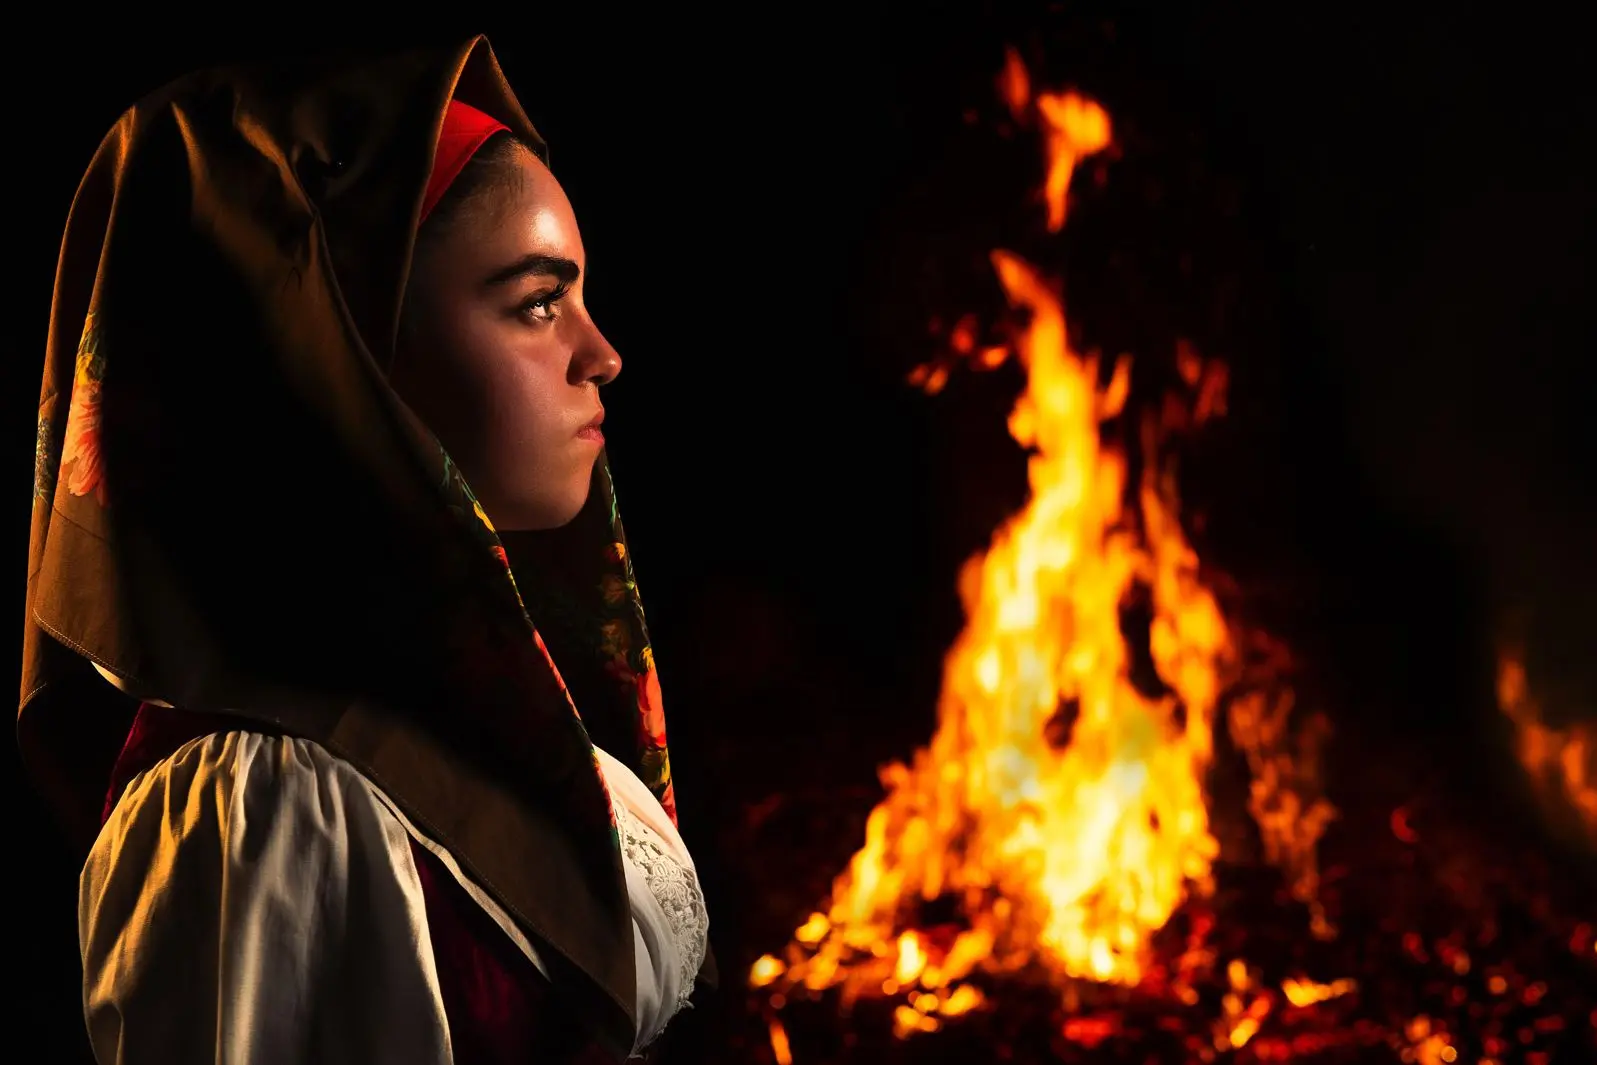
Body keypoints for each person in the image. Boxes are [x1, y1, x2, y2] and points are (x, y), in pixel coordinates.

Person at [20, 34, 712, 1064]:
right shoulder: (258, 809)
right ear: (340, 359)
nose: (601, 354)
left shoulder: (503, 719)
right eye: (536, 303)